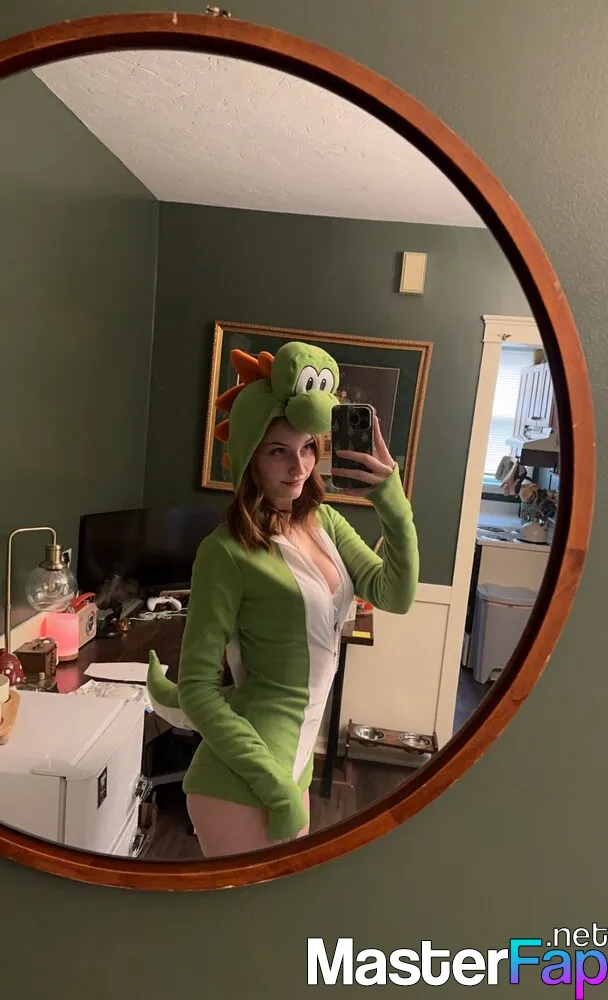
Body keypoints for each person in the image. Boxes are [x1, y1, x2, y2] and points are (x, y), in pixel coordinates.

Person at [147, 340, 419, 857]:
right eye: (278, 451)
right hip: (240, 783)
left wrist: (392, 498)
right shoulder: (225, 551)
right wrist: (274, 788)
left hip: (294, 768)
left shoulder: (325, 523)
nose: (298, 466)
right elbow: (200, 689)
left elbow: (395, 594)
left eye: (308, 448)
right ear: (250, 456)